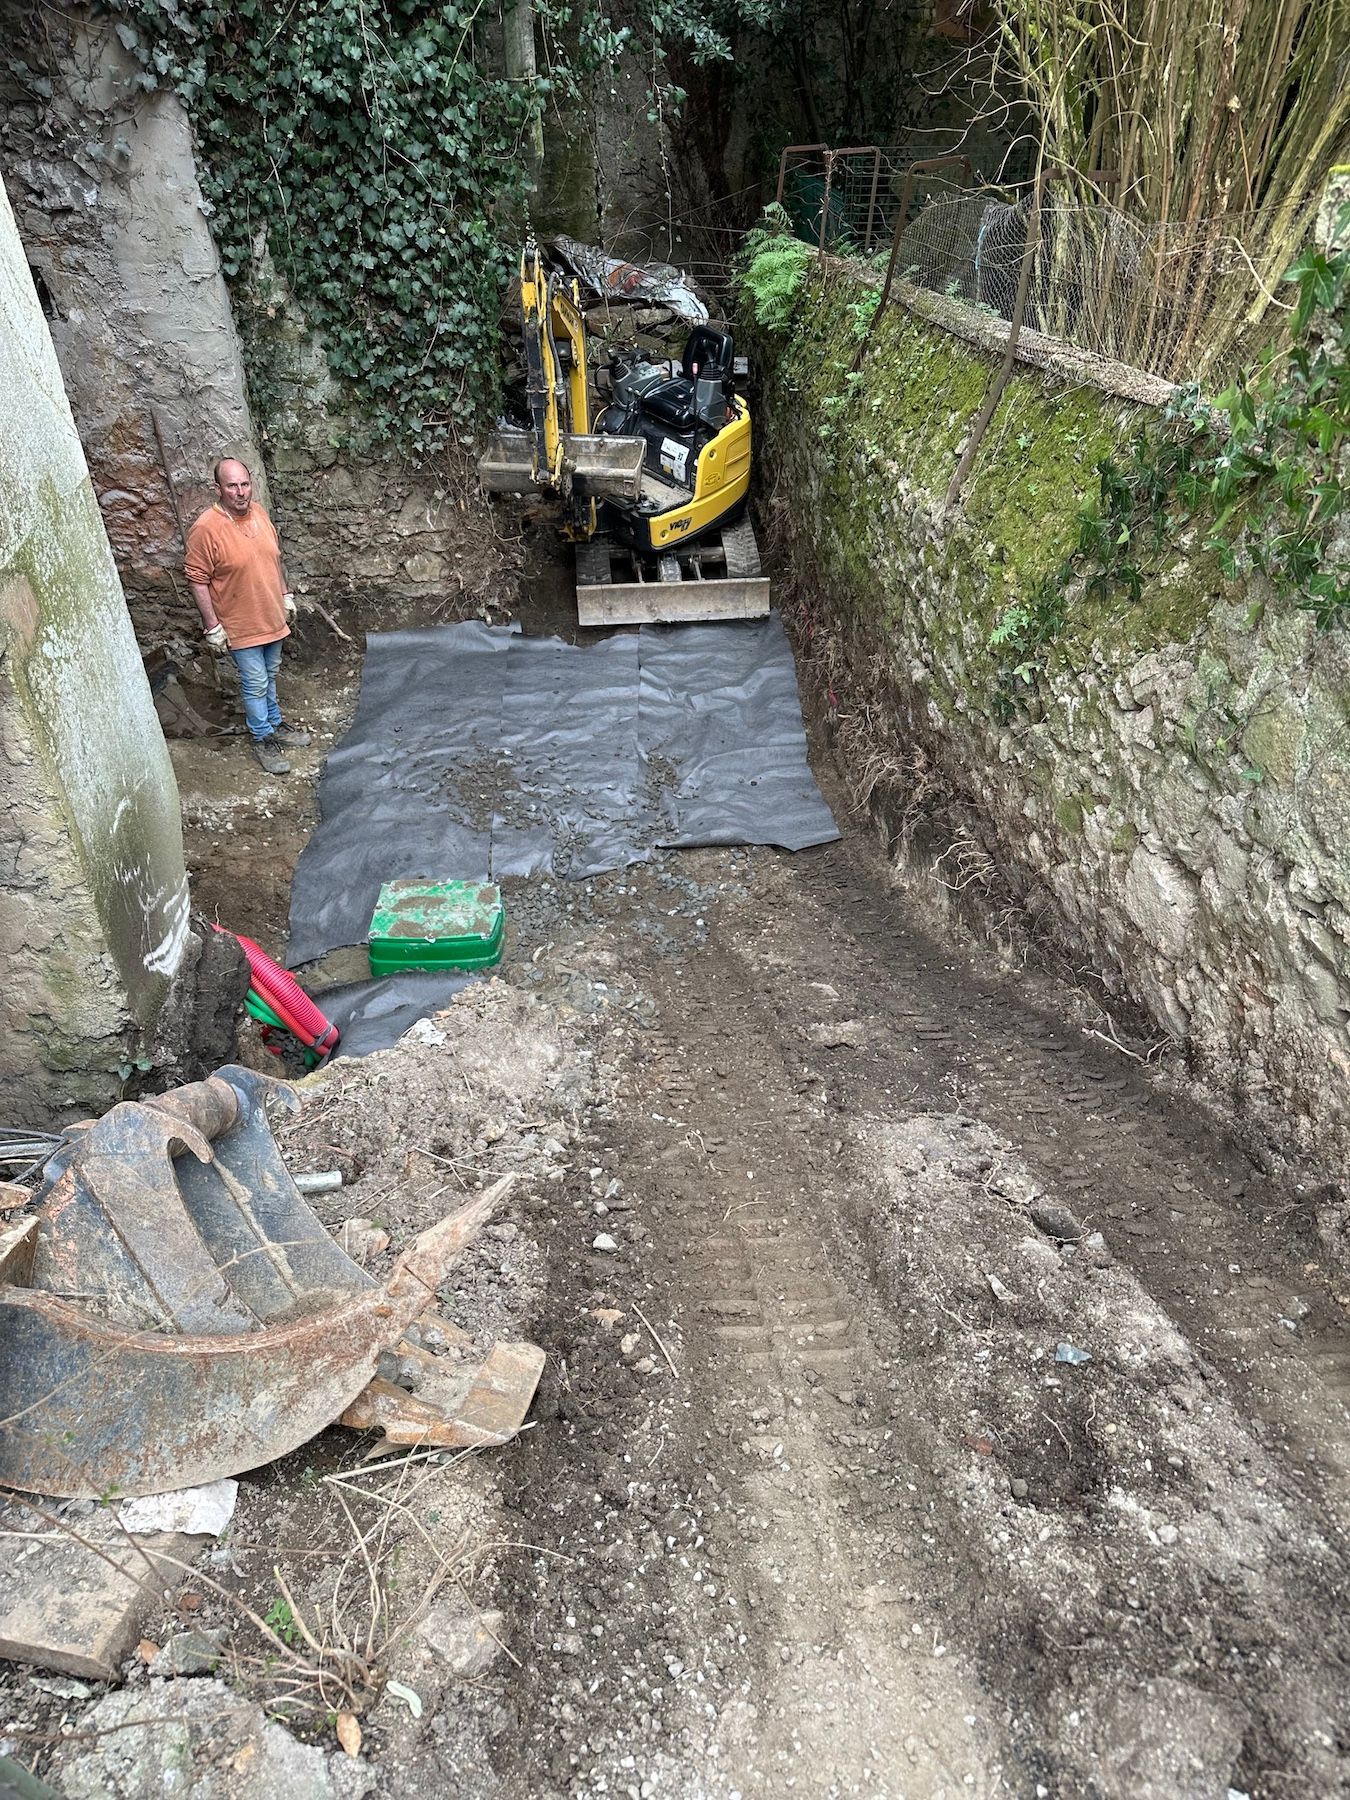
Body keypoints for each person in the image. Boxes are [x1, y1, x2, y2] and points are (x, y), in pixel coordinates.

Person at [184, 458, 311, 774]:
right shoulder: (206, 529)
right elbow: (197, 579)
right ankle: (262, 737)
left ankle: (275, 722)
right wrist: (212, 626)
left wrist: (285, 596)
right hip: (240, 623)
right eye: (232, 486)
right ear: (218, 489)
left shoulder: (260, 513)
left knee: (270, 674)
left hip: (270, 616)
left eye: (244, 484)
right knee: (255, 682)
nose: (240, 493)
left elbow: (274, 559)